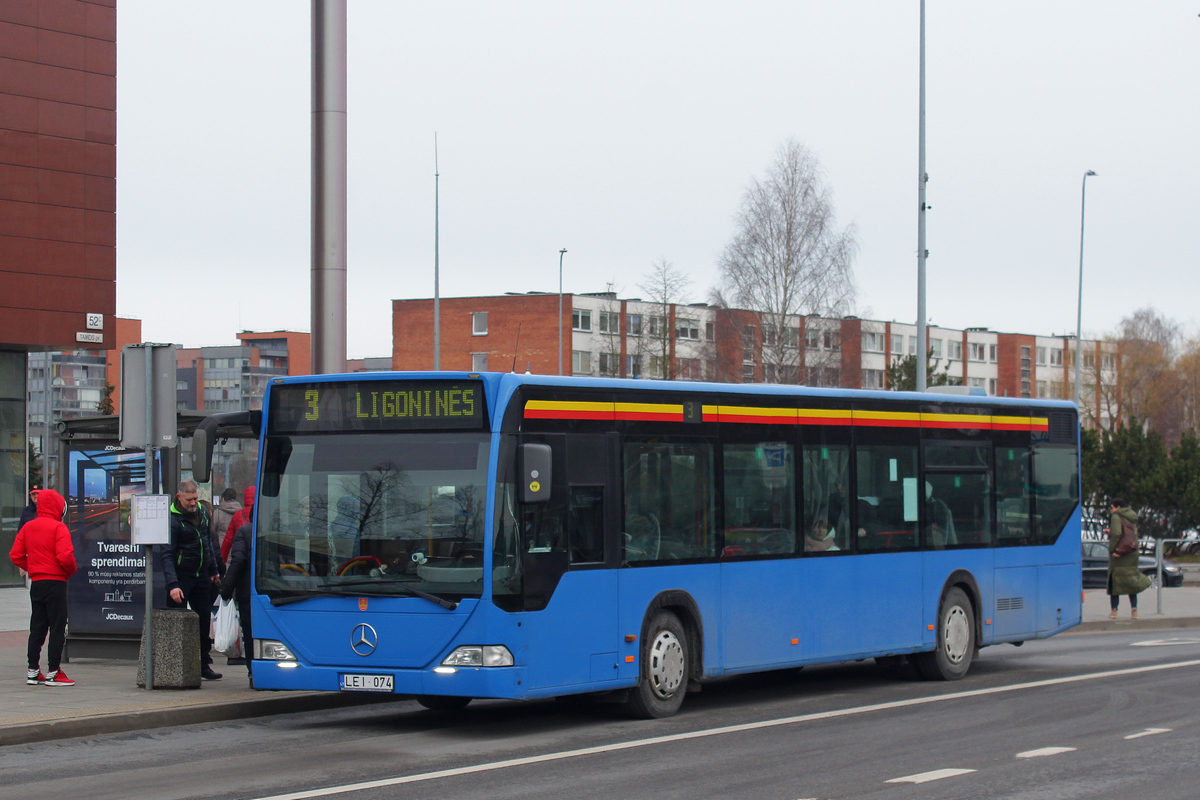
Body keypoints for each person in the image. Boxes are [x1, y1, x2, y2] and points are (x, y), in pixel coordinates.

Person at [9, 488, 78, 686]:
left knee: (37, 627)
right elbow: (66, 557)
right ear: (58, 506)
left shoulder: (28, 527)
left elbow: (15, 555)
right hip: (55, 582)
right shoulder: (59, 527)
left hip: (37, 583)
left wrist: (32, 567)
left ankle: (33, 670)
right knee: (57, 627)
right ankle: (54, 672)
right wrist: (69, 571)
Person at [158, 480, 222, 681]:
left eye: (195, 498)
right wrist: (173, 585)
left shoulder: (202, 511)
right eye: (190, 499)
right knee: (175, 621)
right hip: (181, 575)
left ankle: (203, 664)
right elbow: (167, 554)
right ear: (179, 497)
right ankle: (171, 665)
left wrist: (212, 569)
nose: (194, 502)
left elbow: (207, 542)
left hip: (201, 574)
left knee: (203, 621)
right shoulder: (172, 519)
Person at [219, 519, 254, 686]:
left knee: (250, 634)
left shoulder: (245, 532)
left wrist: (226, 589)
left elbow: (238, 561)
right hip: (277, 592)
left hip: (248, 593)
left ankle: (254, 673)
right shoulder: (280, 530)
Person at [1108, 498, 1151, 619]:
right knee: (1130, 581)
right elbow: (1129, 534)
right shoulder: (1132, 517)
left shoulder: (1116, 517)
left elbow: (1117, 534)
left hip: (1120, 554)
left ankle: (1114, 611)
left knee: (1114, 581)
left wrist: (1112, 549)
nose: (1111, 510)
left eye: (1112, 508)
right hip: (1132, 552)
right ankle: (1134, 610)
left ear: (1118, 508)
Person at [222, 485, 255, 563]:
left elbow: (228, 539)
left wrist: (222, 560)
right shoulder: (262, 513)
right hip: (258, 554)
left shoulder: (238, 515)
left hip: (241, 554)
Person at [328, 494, 361, 572]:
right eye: (355, 507)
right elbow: (353, 551)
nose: (358, 512)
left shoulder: (332, 526)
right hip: (347, 569)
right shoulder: (352, 528)